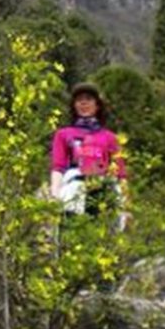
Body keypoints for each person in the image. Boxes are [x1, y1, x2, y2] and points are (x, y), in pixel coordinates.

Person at [50, 82, 129, 228]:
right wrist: (54, 194)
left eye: (88, 99)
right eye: (79, 100)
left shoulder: (110, 138)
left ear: (97, 105)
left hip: (103, 188)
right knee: (72, 227)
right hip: (74, 186)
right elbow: (58, 166)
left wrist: (125, 202)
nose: (84, 103)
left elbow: (120, 173)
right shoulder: (64, 134)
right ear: (74, 105)